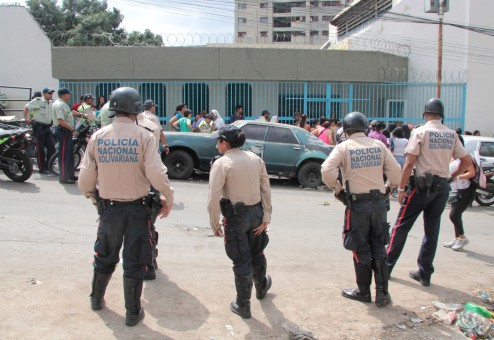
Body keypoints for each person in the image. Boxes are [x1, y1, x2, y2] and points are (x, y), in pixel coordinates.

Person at [78, 87, 174, 327]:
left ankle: (96, 299)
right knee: (134, 260)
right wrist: (167, 195)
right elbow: (156, 173)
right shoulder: (144, 136)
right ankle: (133, 313)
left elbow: (85, 181)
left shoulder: (98, 136)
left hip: (110, 209)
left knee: (105, 255)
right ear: (137, 109)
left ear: (113, 108)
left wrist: (95, 199)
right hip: (138, 210)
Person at [386, 98, 472, 287]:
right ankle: (425, 273)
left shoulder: (420, 132)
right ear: (441, 115)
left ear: (425, 114)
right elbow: (466, 162)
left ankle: (387, 267)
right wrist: (452, 176)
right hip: (442, 187)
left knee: (401, 226)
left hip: (421, 186)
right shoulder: (452, 135)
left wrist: (400, 189)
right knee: (431, 231)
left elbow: (409, 163)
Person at [321, 111, 401, 307]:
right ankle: (383, 293)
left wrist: (338, 190)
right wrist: (389, 189)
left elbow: (326, 171)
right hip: (379, 203)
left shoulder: (344, 147)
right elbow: (396, 172)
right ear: (365, 127)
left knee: (360, 246)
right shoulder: (379, 145)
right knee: (378, 246)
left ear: (346, 130)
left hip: (357, 205)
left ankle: (363, 291)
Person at [207, 125, 273, 319]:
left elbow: (213, 197)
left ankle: (243, 305)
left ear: (225, 142)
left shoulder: (222, 163)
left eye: (218, 141)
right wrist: (267, 216)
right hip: (256, 214)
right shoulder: (256, 159)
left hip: (236, 218)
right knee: (257, 253)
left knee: (241, 260)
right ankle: (261, 287)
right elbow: (266, 189)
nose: (217, 144)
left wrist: (214, 223)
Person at [52, 88, 87, 184]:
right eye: (68, 94)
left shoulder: (65, 104)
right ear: (63, 95)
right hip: (63, 131)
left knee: (69, 155)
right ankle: (63, 177)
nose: (69, 96)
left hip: (67, 132)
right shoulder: (59, 105)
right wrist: (73, 130)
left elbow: (71, 112)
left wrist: (82, 115)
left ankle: (70, 174)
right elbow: (61, 121)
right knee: (63, 156)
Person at [444, 157, 476, 251]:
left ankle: (462, 238)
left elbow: (472, 173)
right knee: (458, 216)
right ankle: (457, 239)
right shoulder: (451, 158)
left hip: (466, 190)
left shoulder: (465, 159)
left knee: (453, 215)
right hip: (455, 190)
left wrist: (456, 177)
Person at [24, 87, 57, 174]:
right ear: (44, 94)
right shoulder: (38, 101)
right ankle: (42, 168)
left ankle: (49, 166)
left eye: (52, 93)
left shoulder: (51, 102)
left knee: (52, 148)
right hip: (39, 128)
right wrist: (26, 118)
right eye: (49, 93)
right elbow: (26, 107)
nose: (51, 95)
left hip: (48, 128)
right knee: (40, 149)